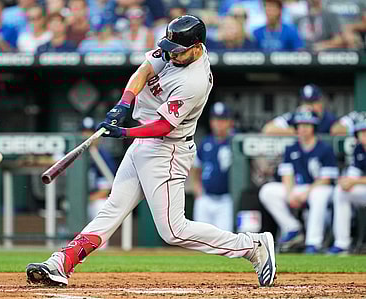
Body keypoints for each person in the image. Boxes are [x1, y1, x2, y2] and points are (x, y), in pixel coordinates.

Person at [26, 15, 276, 287]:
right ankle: (62, 262)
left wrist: (124, 132)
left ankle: (253, 245)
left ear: (197, 47)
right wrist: (122, 105)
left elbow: (163, 126)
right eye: (169, 48)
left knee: (173, 231)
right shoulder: (174, 49)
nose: (171, 55)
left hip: (167, 150)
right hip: (144, 143)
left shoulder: (194, 81)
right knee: (112, 209)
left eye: (178, 52)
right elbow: (143, 71)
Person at [259, 111, 338, 253]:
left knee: (319, 195)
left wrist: (305, 194)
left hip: (319, 189)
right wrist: (290, 194)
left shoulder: (324, 148)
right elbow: (287, 175)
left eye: (307, 125)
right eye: (300, 125)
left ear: (314, 127)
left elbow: (326, 179)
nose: (303, 128)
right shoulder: (291, 148)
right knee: (268, 191)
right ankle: (292, 228)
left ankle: (313, 242)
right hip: (298, 188)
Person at [192, 102, 235, 232]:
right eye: (216, 119)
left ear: (229, 122)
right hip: (205, 198)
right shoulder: (206, 142)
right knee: (199, 238)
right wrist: (197, 189)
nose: (218, 123)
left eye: (222, 119)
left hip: (226, 199)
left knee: (225, 239)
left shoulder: (234, 141)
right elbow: (195, 167)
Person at [329, 121, 366, 255]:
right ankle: (342, 243)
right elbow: (352, 174)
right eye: (362, 133)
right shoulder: (359, 149)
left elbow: (355, 180)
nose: (364, 136)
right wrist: (346, 182)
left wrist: (354, 181)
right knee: (341, 191)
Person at [262, 84, 337, 136]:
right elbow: (268, 129)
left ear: (321, 102)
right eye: (306, 102)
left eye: (313, 102)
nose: (309, 106)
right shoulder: (295, 116)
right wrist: (296, 131)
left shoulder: (329, 118)